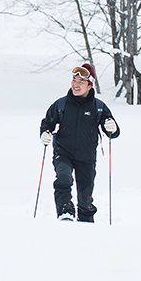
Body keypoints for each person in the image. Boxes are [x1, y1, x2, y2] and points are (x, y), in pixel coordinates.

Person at [39, 63, 120, 222]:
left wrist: (112, 128)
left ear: (90, 85)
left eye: (80, 82)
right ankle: (65, 212)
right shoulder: (61, 104)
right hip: (63, 153)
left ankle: (86, 223)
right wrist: (45, 133)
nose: (75, 85)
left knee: (85, 197)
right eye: (74, 80)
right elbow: (47, 123)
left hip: (86, 157)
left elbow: (113, 132)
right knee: (64, 178)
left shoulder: (99, 107)